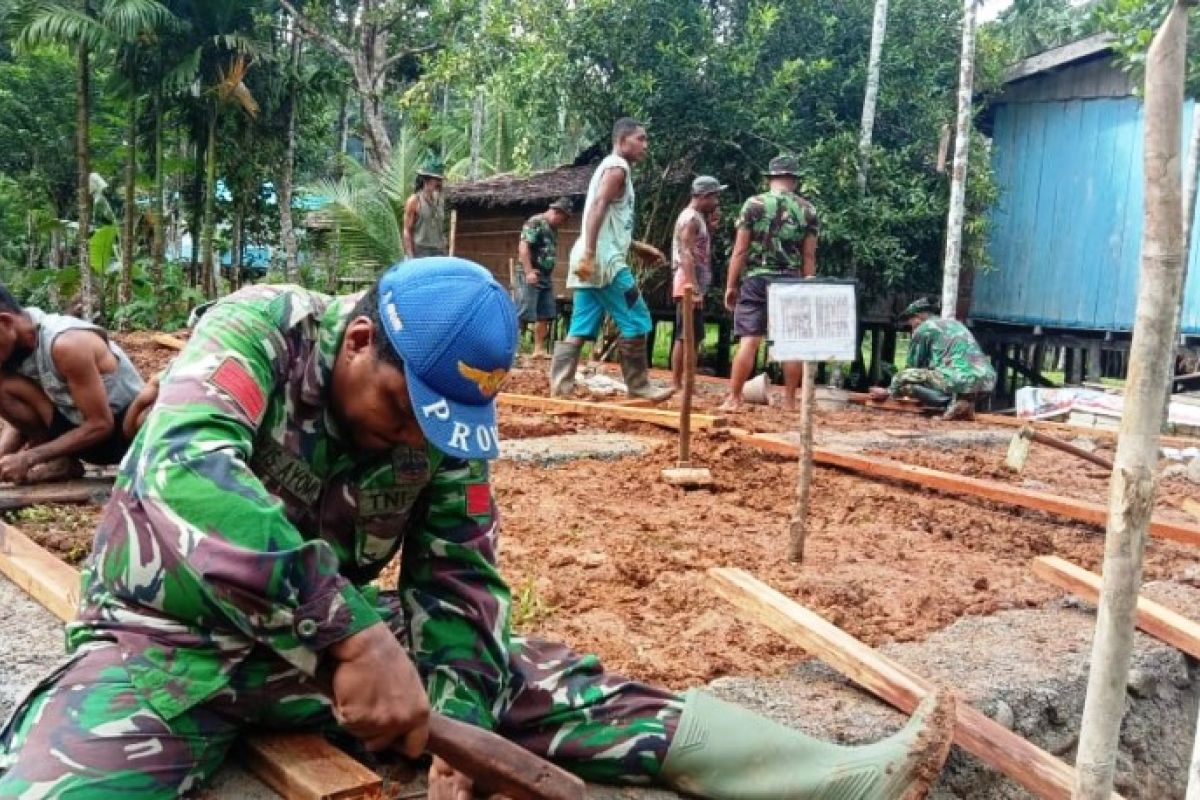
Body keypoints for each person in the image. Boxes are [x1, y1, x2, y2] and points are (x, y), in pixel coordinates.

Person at [0, 258, 955, 800]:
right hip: (164, 639)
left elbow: (458, 586)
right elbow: (180, 470)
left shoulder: (448, 418)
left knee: (538, 676)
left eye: (441, 420)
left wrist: (451, 720)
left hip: (331, 654)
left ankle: (834, 781)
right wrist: (354, 632)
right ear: (362, 340)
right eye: (405, 405)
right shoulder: (260, 333)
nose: (421, 434)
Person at [551, 118, 672, 402]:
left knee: (580, 325)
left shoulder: (612, 168)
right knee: (638, 317)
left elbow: (609, 221)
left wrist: (637, 246)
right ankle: (639, 387)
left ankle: (561, 386)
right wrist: (593, 254)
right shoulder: (617, 169)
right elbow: (596, 208)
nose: (645, 145)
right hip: (605, 263)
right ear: (622, 140)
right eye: (640, 139)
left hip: (591, 259)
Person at [0, 285, 145, 484]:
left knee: (149, 414)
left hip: (121, 434)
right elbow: (17, 417)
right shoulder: (15, 348)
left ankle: (149, 467)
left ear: (5, 322)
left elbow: (101, 425)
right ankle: (61, 461)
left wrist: (29, 457)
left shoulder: (67, 344)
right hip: (74, 432)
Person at [720, 154, 819, 412]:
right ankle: (788, 401)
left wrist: (731, 285)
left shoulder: (753, 205)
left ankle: (734, 398)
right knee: (790, 343)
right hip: (791, 280)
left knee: (749, 341)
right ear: (793, 180)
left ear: (771, 178)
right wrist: (807, 287)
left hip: (756, 278)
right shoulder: (808, 210)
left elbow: (740, 251)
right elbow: (809, 256)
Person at [870, 298, 996, 420]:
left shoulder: (924, 328)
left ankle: (947, 402)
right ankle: (961, 403)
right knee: (944, 377)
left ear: (918, 317)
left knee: (902, 377)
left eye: (911, 322)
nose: (911, 327)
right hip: (988, 380)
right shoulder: (955, 324)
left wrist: (891, 390)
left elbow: (913, 367)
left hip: (958, 379)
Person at [670, 176, 726, 391]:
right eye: (714, 196)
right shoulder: (690, 219)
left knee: (692, 335)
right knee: (686, 335)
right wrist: (692, 288)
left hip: (692, 283)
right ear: (703, 196)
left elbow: (696, 247)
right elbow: (685, 252)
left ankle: (686, 383)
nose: (717, 201)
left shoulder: (698, 218)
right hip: (687, 282)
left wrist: (711, 229)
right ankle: (678, 384)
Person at [517, 197, 573, 358]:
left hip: (545, 275)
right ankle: (512, 348)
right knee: (523, 311)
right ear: (557, 212)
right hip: (530, 273)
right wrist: (528, 272)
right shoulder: (535, 222)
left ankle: (538, 349)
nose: (564, 221)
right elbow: (523, 247)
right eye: (564, 217)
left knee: (545, 313)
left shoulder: (553, 228)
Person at [403, 158, 448, 259]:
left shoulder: (440, 200)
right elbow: (406, 230)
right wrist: (410, 255)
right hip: (421, 251)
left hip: (439, 250)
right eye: (435, 179)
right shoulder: (414, 200)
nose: (438, 182)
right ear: (426, 179)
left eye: (439, 180)